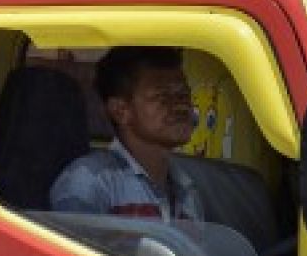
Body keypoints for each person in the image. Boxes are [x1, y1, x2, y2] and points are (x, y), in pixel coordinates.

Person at [49, 45, 203, 222]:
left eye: (183, 95)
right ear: (121, 111)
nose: (181, 106)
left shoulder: (186, 189)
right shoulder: (91, 181)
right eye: (162, 96)